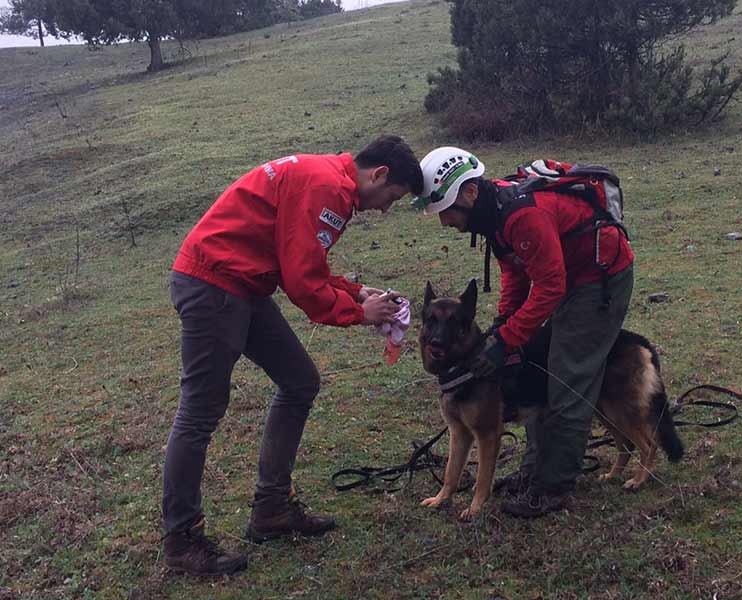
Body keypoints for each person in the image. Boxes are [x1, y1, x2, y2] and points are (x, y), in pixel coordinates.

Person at [163, 136, 423, 575]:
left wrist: (358, 292)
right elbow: (303, 284)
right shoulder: (327, 189)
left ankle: (272, 510)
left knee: (300, 381)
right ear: (378, 174)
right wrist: (359, 313)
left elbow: (302, 264)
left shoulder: (326, 179)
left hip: (243, 284)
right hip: (214, 284)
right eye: (391, 198)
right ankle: (181, 539)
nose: (384, 209)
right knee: (200, 412)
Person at [414, 147, 634, 519]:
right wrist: (503, 325)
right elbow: (515, 270)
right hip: (567, 276)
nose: (445, 223)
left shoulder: (520, 215)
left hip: (599, 279)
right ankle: (534, 471)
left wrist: (508, 339)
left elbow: (549, 286)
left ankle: (553, 487)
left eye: (447, 212)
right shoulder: (494, 215)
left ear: (469, 194)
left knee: (566, 377)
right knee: (538, 364)